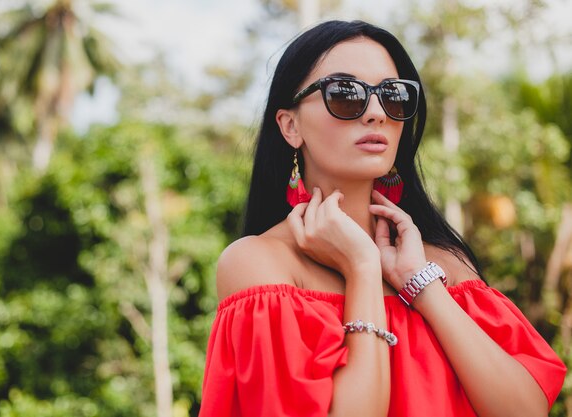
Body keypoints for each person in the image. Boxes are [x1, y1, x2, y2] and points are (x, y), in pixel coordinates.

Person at [197, 20, 566, 417]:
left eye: (393, 95)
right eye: (344, 93)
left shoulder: (442, 265)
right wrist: (362, 268)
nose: (376, 113)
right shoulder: (260, 264)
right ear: (290, 126)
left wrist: (422, 288)